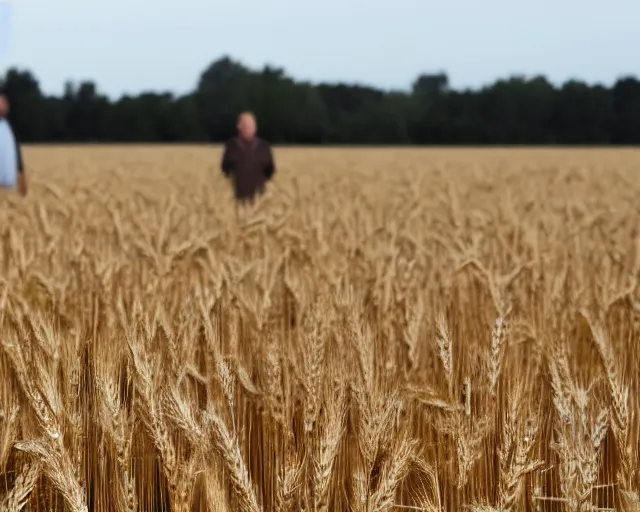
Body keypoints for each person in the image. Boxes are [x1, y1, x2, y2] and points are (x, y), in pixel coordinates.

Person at [220, 112, 275, 208]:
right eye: (245, 126)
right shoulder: (231, 146)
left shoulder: (264, 147)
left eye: (250, 126)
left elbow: (270, 171)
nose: (248, 128)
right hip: (237, 199)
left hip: (259, 200)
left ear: (255, 127)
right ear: (239, 127)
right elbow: (225, 170)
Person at [0, 94, 27, 196]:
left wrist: (22, 181)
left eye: (5, 103)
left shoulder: (10, 128)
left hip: (10, 186)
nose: (4, 106)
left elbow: (17, 156)